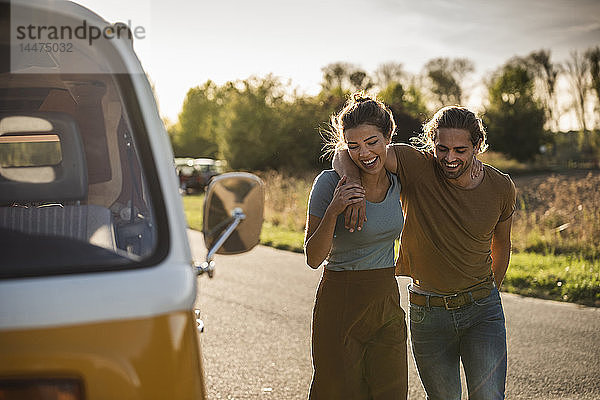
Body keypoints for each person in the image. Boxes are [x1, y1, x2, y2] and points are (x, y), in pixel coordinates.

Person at [334, 105, 516, 400]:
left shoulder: (501, 187)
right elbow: (346, 152)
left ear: (477, 145)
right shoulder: (415, 166)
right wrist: (352, 183)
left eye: (460, 150)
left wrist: (491, 292)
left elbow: (502, 243)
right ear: (432, 143)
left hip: (482, 310)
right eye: (442, 149)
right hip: (428, 312)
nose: (450, 158)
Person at [304, 93, 408, 400]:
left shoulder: (398, 179)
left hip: (386, 299)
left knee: (391, 392)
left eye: (372, 142)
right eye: (354, 146)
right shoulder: (328, 183)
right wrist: (335, 208)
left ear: (389, 137)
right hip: (341, 301)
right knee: (339, 392)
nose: (364, 153)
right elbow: (312, 257)